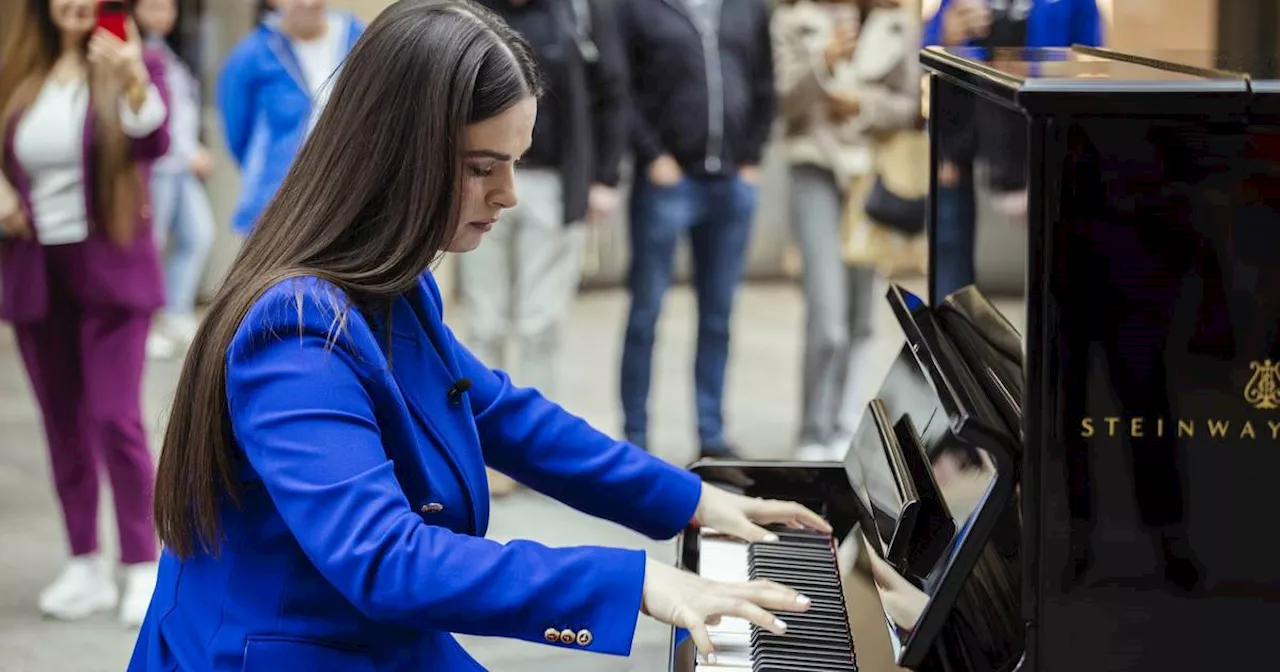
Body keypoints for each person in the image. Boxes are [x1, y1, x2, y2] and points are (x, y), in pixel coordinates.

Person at [127, 2, 828, 669]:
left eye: (515, 163)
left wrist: (692, 500)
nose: (508, 194)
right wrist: (634, 583)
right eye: (482, 168)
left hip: (367, 639)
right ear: (397, 153)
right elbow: (385, 558)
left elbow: (497, 410)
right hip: (281, 652)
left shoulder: (392, 283)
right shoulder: (297, 336)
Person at [0, 0, 170, 626]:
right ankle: (83, 563)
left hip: (112, 272)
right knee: (61, 426)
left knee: (115, 418)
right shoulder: (19, 69)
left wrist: (130, 74)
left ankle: (141, 562)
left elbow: (154, 138)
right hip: (35, 270)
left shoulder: (135, 61)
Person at [464, 0, 627, 497]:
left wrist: (603, 177)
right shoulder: (468, 14)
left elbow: (612, 93)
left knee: (539, 322)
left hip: (554, 184)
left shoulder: (578, 11)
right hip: (475, 180)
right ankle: (476, 447)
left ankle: (529, 455)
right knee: (485, 320)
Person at [615, 0, 776, 459]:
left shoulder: (748, 9)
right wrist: (652, 156)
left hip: (731, 183)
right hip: (667, 183)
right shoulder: (639, 9)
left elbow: (765, 84)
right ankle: (636, 438)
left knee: (718, 317)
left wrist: (751, 158)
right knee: (645, 314)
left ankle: (711, 435)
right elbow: (621, 88)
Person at [771, 0, 920, 461]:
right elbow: (781, 100)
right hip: (815, 168)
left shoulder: (896, 23)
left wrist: (861, 104)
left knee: (860, 317)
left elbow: (909, 105)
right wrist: (824, 63)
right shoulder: (791, 21)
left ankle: (844, 424)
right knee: (828, 317)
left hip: (871, 178)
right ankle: (812, 431)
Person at [923, 0, 1101, 299]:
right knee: (952, 272)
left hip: (1043, 148)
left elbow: (1095, 62)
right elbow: (927, 51)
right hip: (962, 150)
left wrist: (1034, 69)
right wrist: (945, 36)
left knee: (1050, 279)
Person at [216, 0, 363, 236]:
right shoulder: (251, 56)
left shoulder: (359, 40)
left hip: (350, 198)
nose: (308, 3)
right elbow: (237, 135)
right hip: (277, 208)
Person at [133, 0, 216, 358]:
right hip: (156, 167)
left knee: (199, 234)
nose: (162, 14)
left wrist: (193, 149)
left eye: (167, 7)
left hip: (179, 167)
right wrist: (190, 153)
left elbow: (180, 112)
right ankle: (145, 324)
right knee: (150, 246)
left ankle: (175, 314)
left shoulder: (168, 52)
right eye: (152, 6)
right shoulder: (131, 53)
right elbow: (155, 116)